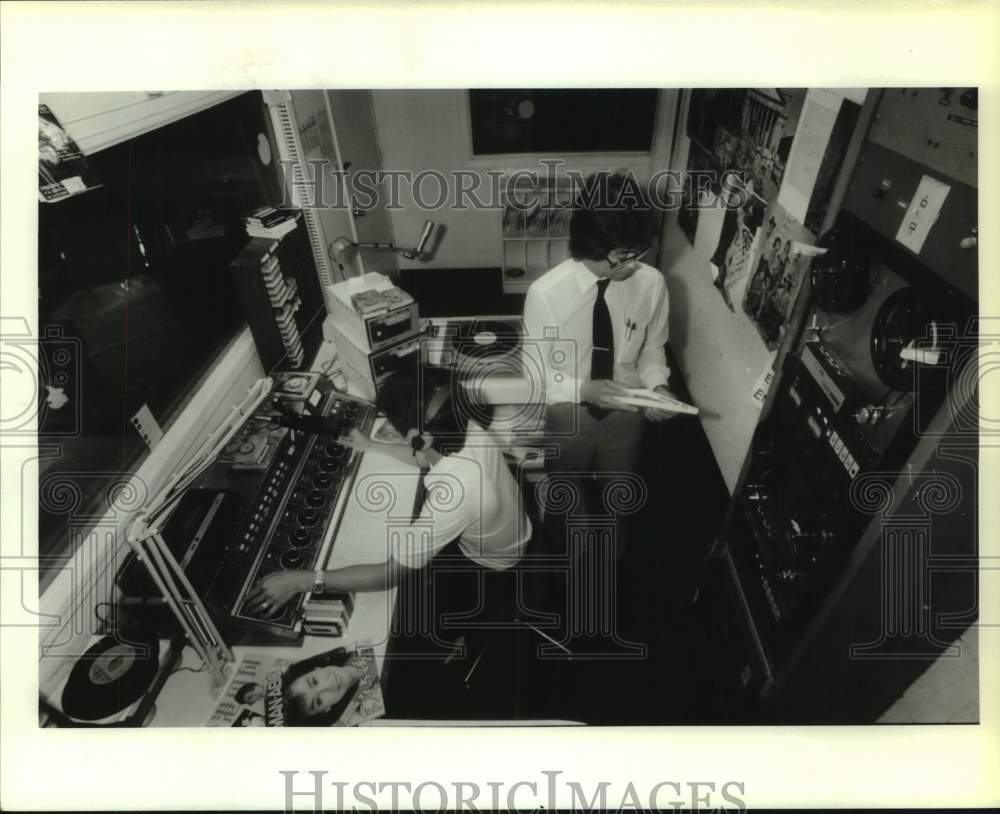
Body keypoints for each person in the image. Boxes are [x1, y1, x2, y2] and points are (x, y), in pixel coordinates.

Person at [245, 366, 534, 639]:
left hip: (495, 567)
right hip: (517, 526)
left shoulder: (454, 495)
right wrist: (370, 445)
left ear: (417, 436)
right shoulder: (463, 423)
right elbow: (425, 455)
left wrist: (303, 581)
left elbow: (389, 575)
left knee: (414, 618)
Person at [523, 171, 676, 568]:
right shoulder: (545, 295)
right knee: (566, 497)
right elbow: (535, 376)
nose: (635, 265)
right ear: (595, 246)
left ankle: (609, 568)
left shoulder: (652, 283)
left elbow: (653, 347)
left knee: (618, 501)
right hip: (567, 414)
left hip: (627, 413)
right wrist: (583, 390)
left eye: (638, 253)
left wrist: (657, 387)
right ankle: (561, 556)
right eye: (625, 256)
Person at [281, 647, 366, 726]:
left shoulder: (353, 647)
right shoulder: (368, 708)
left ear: (317, 668)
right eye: (318, 701)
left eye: (314, 681)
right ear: (326, 709)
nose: (328, 685)